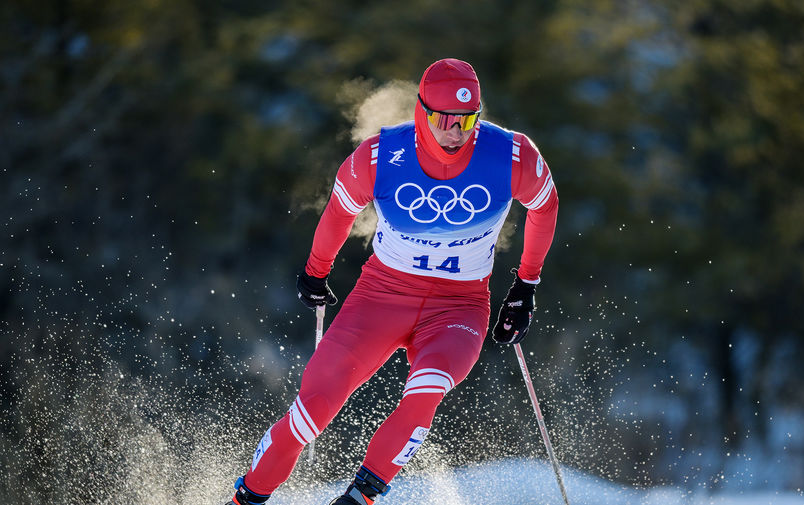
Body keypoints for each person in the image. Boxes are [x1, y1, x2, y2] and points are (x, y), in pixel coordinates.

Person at [229, 58, 558, 505]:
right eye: (444, 119)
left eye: (467, 120)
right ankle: (245, 499)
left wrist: (525, 286)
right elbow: (339, 213)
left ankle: (360, 496)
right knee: (313, 408)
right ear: (421, 112)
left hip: (458, 308)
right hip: (380, 297)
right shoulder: (380, 156)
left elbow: (546, 204)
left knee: (425, 392)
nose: (455, 132)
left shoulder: (511, 155)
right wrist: (315, 270)